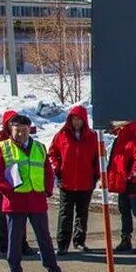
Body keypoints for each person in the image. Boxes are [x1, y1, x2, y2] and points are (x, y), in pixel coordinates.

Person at [0, 113, 71, 272]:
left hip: (36, 199)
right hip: (14, 200)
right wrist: (7, 190)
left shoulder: (39, 147)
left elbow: (47, 170)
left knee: (44, 238)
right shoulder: (2, 147)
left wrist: (47, 189)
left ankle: (53, 270)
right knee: (15, 239)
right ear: (11, 129)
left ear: (29, 130)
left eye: (24, 131)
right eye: (17, 130)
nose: (21, 134)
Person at [48, 104, 100, 253]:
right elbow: (52, 154)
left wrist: (96, 175)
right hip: (67, 182)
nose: (76, 122)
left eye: (79, 119)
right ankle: (63, 244)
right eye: (74, 119)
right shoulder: (61, 135)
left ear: (84, 120)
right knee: (65, 213)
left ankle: (79, 241)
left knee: (82, 214)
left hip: (85, 182)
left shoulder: (92, 137)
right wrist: (57, 169)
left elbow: (98, 158)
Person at [0, 110, 34, 258]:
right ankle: (4, 245)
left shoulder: (24, 139)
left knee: (21, 218)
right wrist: (0, 180)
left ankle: (22, 244)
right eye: (10, 122)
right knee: (3, 218)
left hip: (21, 185)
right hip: (4, 185)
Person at [107, 121, 136, 253]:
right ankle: (126, 239)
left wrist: (132, 179)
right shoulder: (120, 138)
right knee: (124, 210)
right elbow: (115, 160)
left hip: (133, 183)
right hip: (122, 182)